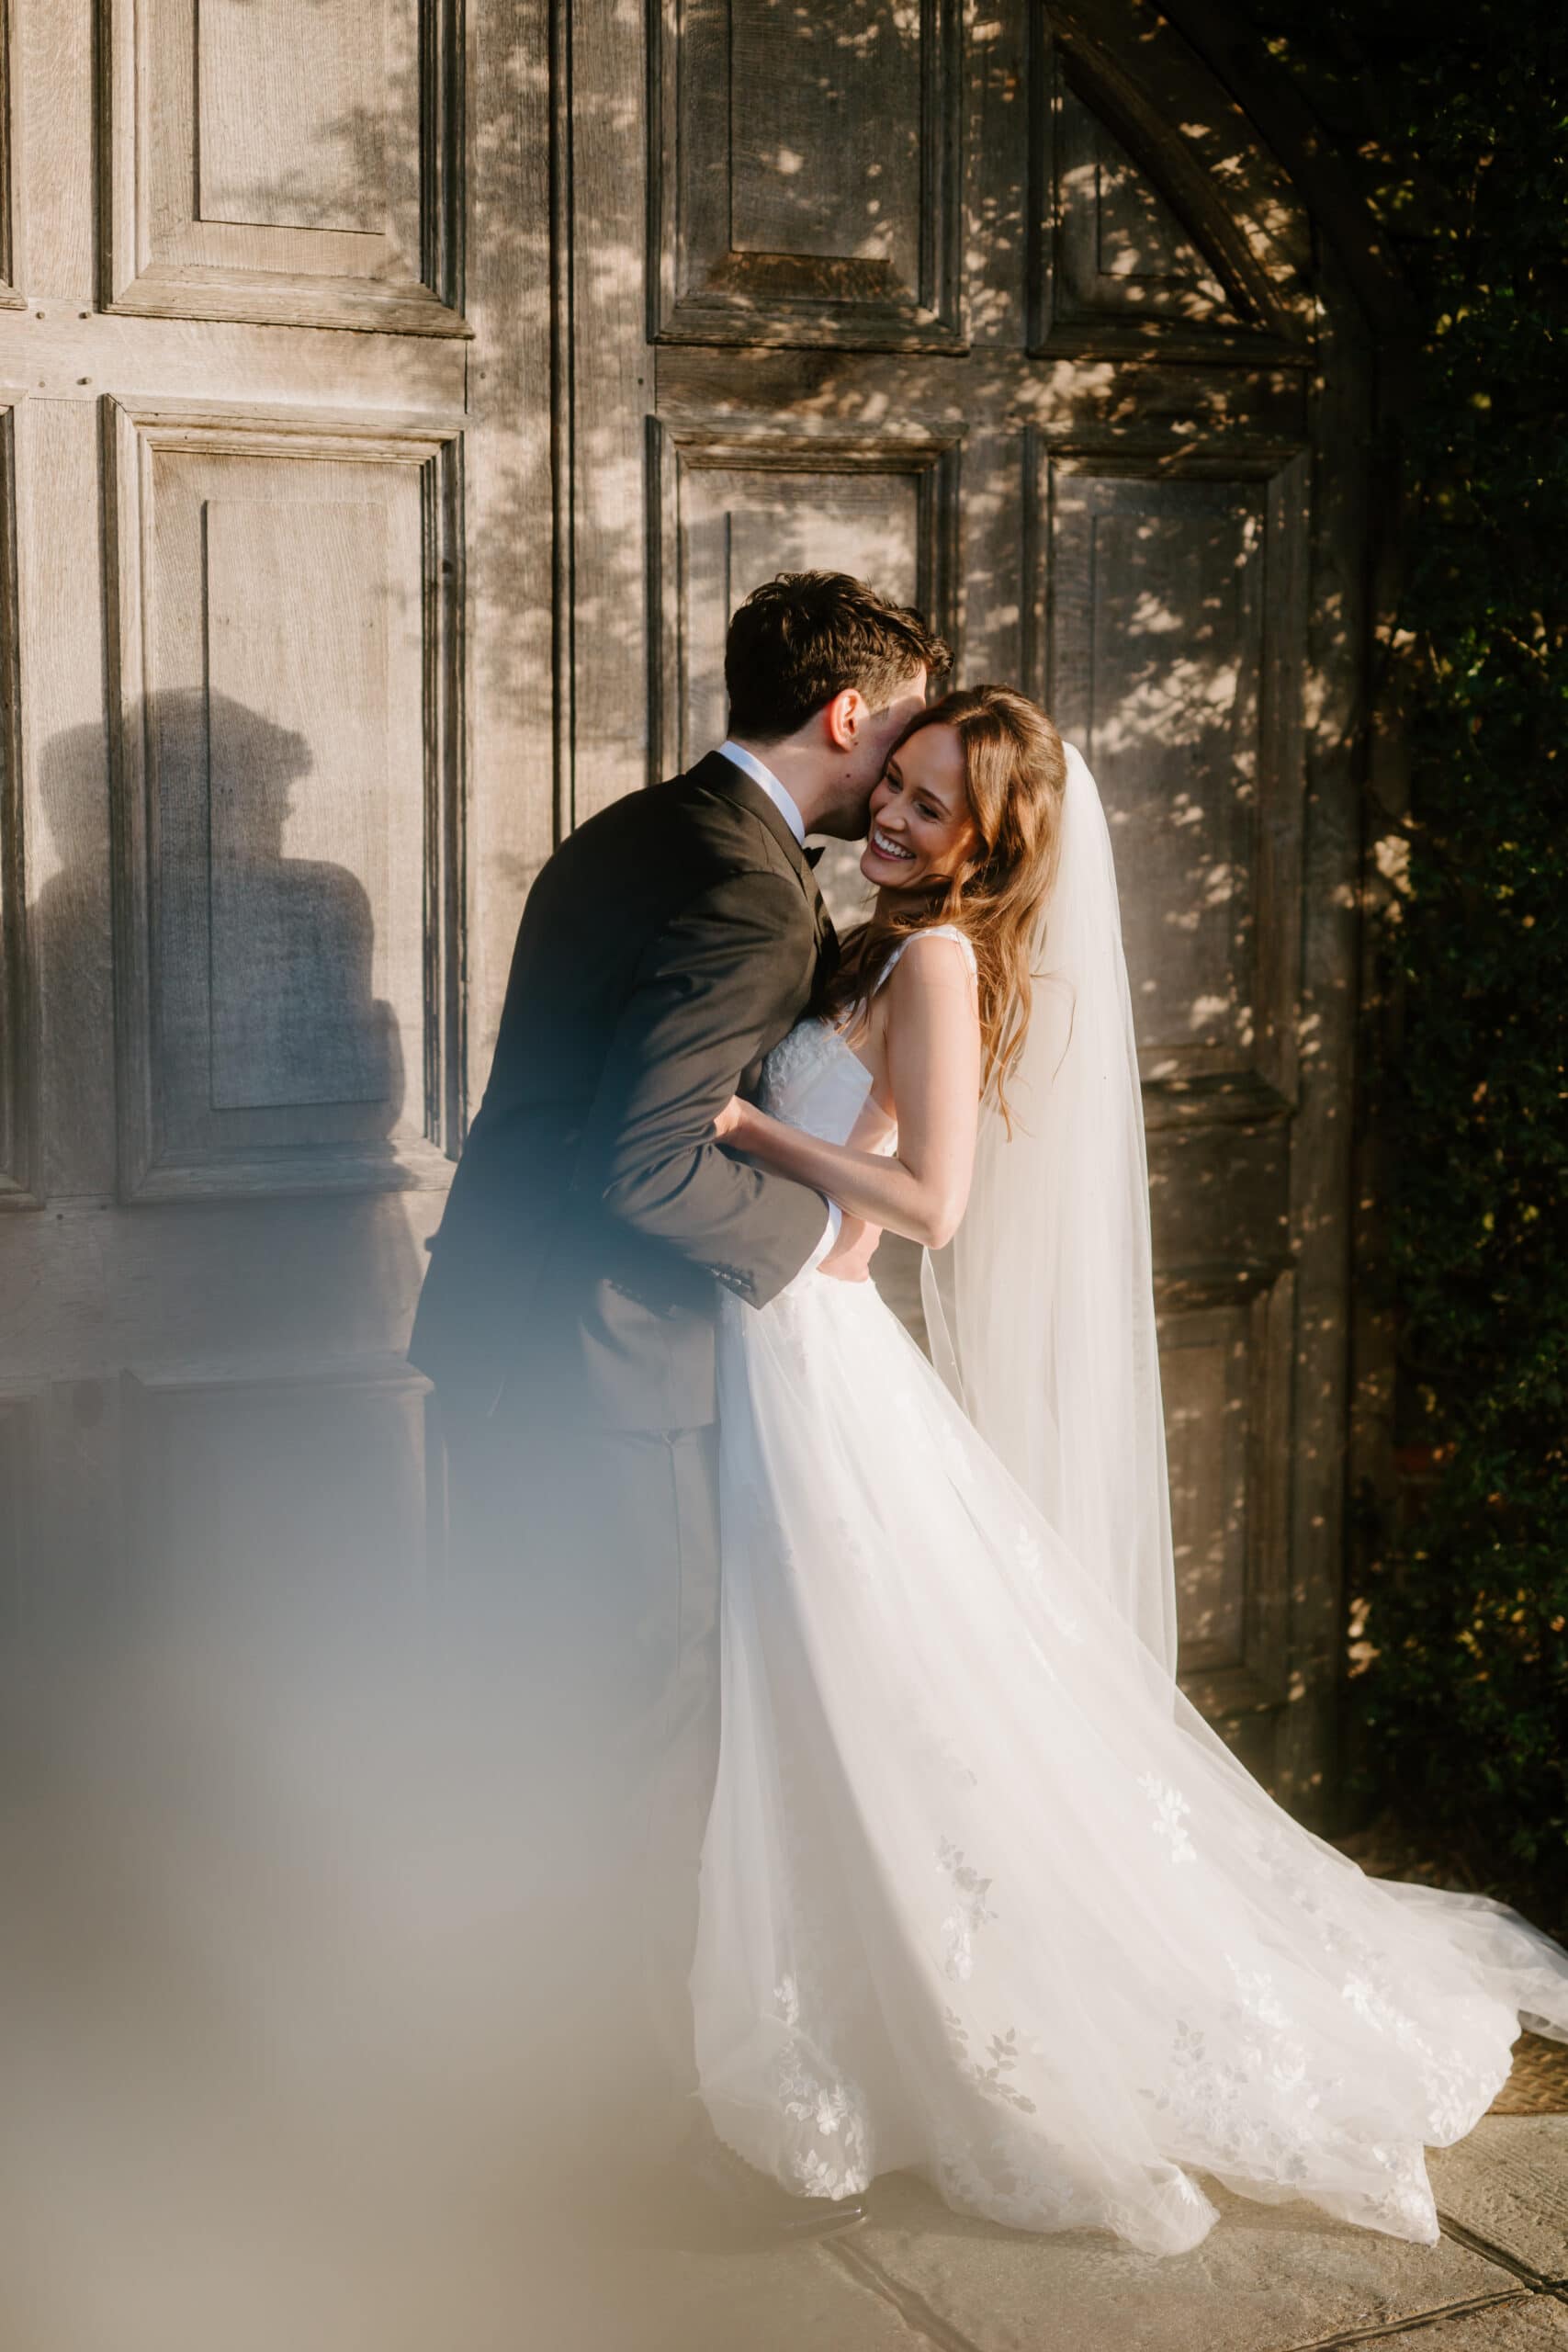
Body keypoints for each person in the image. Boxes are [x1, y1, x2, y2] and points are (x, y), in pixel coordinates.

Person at [691, 683, 1568, 2255]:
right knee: (832, 1705)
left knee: (895, 1710)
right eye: (896, 782)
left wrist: (754, 1135)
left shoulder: (942, 960)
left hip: (819, 1357)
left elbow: (931, 1201)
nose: (893, 815)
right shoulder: (871, 941)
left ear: (990, 843)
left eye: (933, 806)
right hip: (772, 1353)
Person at [407, 572, 948, 2237]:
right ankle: (629, 2154)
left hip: (499, 1348)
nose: (905, 771)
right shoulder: (748, 895)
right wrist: (821, 1246)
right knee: (637, 1752)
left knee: (523, 1732)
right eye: (905, 731)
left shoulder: (629, 831)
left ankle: (488, 2086)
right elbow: (646, 1163)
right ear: (851, 716)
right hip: (606, 1388)